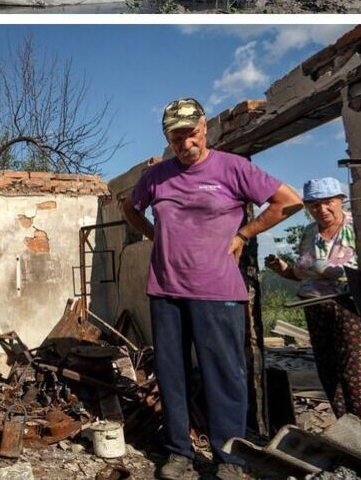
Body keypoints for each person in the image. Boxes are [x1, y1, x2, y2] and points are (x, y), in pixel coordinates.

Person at [123, 98, 304, 480]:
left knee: (224, 375)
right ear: (168, 139)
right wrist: (154, 235)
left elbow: (289, 202)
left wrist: (244, 234)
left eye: (190, 134)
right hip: (166, 290)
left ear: (204, 128)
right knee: (171, 375)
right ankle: (179, 454)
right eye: (176, 138)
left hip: (218, 291)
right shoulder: (156, 177)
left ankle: (229, 459)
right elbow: (129, 208)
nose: (185, 143)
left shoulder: (233, 167)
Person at [264, 178, 361, 421]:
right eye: (314, 205)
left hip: (347, 305)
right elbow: (301, 272)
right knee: (328, 368)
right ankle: (344, 425)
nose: (321, 210)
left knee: (354, 369)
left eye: (327, 203)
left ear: (340, 201)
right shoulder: (309, 233)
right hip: (313, 306)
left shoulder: (357, 227)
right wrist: (280, 267)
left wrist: (330, 271)